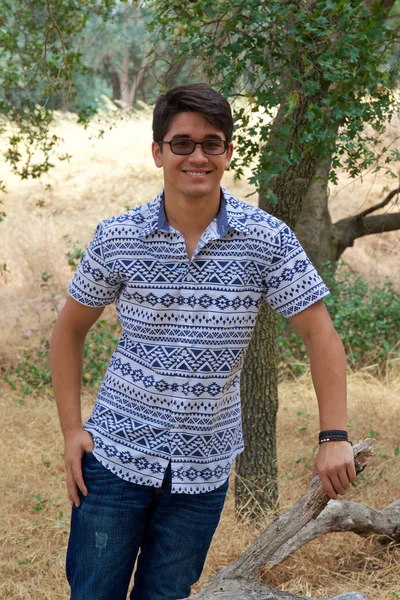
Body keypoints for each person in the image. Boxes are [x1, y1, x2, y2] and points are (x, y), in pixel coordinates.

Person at [50, 83, 356, 600]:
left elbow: (320, 334)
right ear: (158, 152)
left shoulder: (267, 239)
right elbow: (69, 332)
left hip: (204, 467)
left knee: (166, 595)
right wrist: (71, 431)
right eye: (182, 143)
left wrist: (334, 435)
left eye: (212, 143)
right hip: (114, 457)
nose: (197, 156)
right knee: (94, 593)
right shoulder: (118, 236)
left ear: (228, 152)